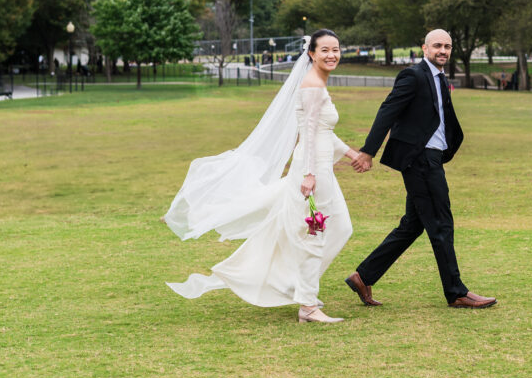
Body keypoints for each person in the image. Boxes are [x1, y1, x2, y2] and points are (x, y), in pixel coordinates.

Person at [164, 30, 362, 323]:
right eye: (325, 50)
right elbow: (306, 134)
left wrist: (352, 155)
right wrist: (309, 174)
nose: (332, 55)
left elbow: (323, 132)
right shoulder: (312, 87)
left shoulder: (319, 84)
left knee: (340, 227)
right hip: (313, 170)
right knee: (314, 235)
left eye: (336, 49)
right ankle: (307, 306)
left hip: (321, 167)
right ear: (312, 54)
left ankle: (298, 285)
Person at [346, 29, 497, 309]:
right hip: (419, 159)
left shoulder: (439, 79)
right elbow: (387, 111)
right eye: (437, 45)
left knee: (412, 225)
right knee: (441, 223)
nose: (443, 50)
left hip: (432, 158)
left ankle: (363, 275)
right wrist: (368, 151)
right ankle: (456, 292)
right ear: (424, 48)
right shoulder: (413, 76)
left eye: (447, 46)